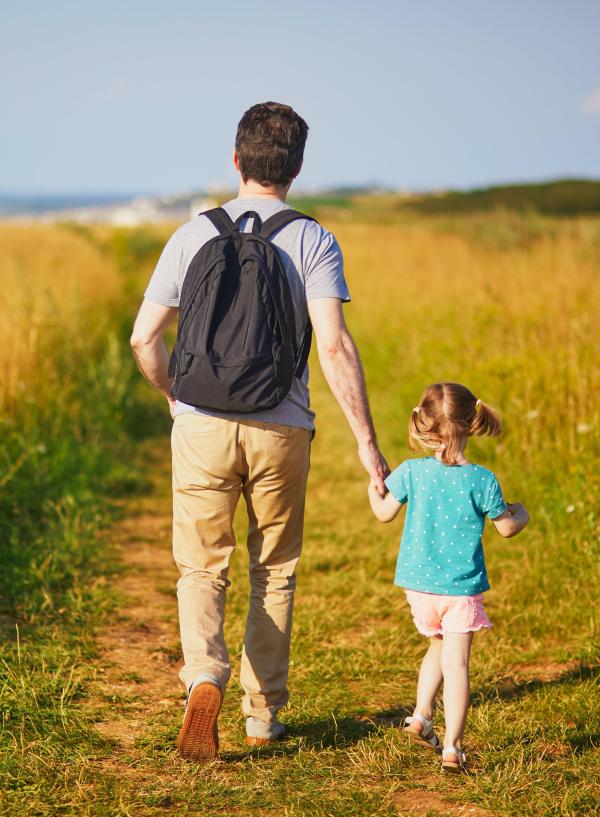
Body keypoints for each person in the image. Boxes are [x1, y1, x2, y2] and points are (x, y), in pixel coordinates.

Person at [130, 102, 388, 761]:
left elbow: (144, 338)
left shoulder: (193, 234)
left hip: (201, 423)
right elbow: (333, 348)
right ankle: (262, 714)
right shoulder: (312, 239)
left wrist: (173, 396)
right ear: (296, 168)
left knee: (200, 566)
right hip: (282, 428)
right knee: (274, 568)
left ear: (236, 159)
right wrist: (366, 444)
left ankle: (203, 677)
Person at [368, 382, 529, 773]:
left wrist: (373, 488)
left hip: (419, 587)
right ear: (472, 422)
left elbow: (384, 513)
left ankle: (421, 715)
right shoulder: (482, 479)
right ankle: (453, 747)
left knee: (437, 646)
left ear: (428, 426)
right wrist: (522, 512)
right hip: (460, 590)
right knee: (457, 664)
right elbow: (506, 528)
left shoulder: (411, 472)